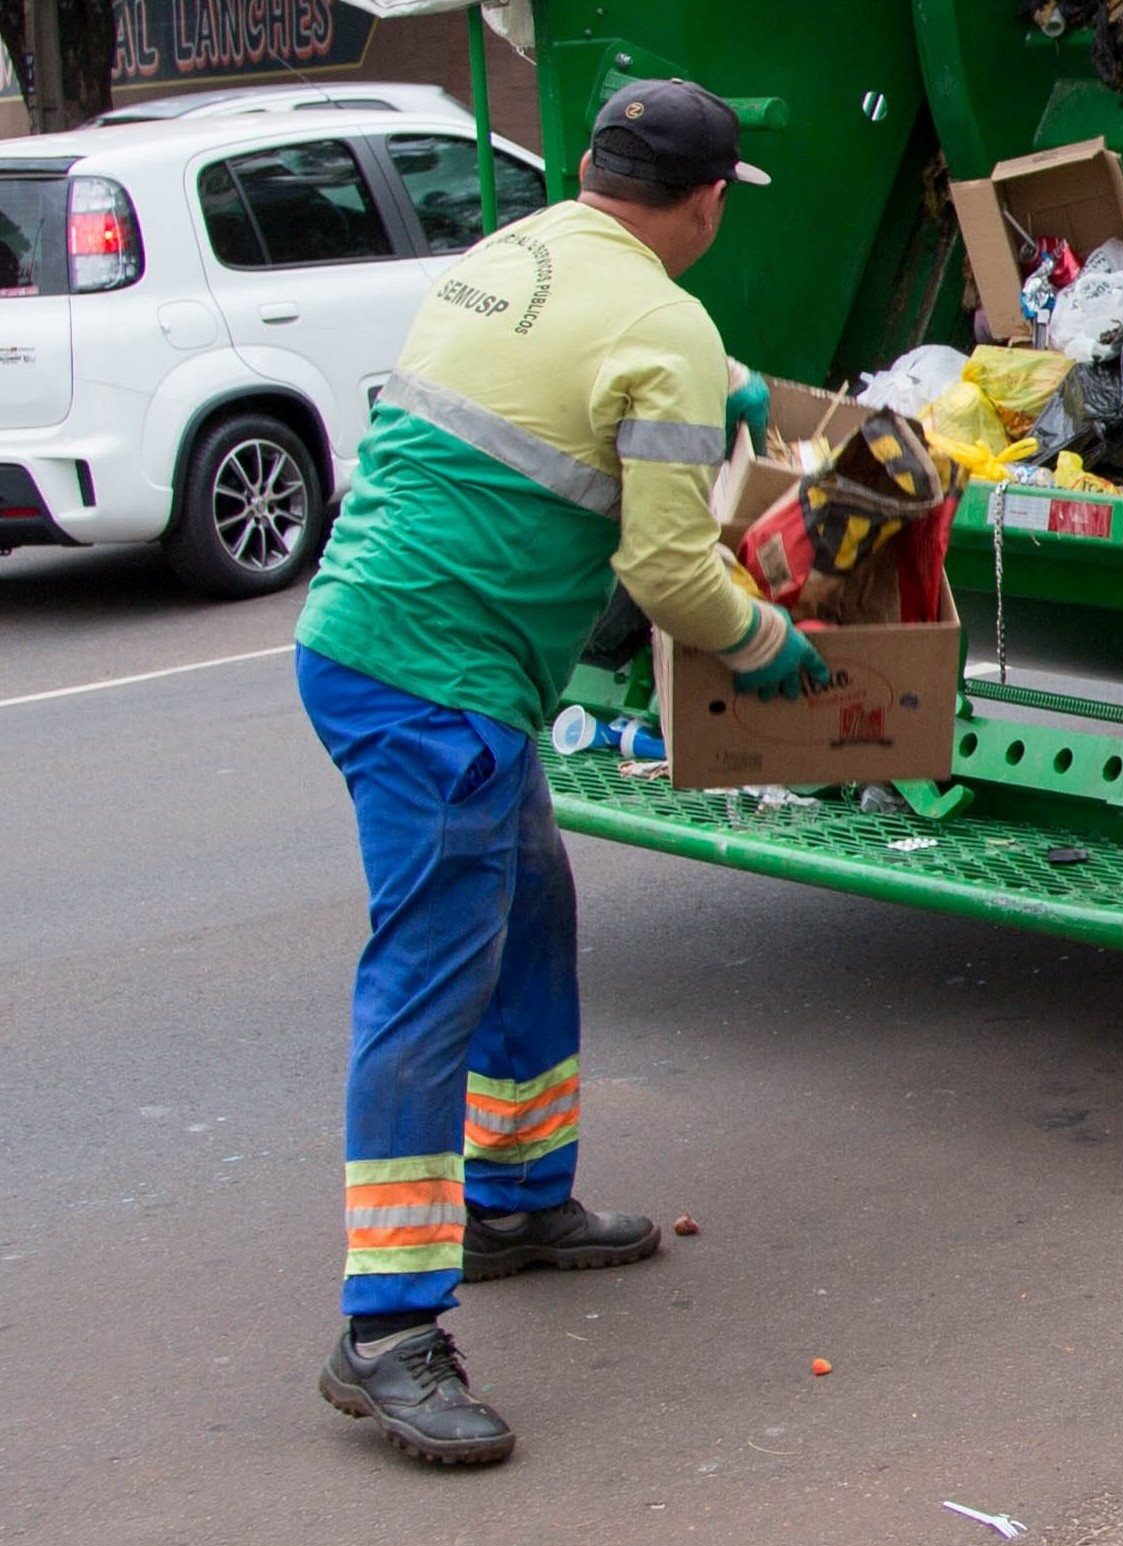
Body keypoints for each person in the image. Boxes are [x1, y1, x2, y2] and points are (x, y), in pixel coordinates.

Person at [292, 79, 817, 1465]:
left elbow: (576, 386)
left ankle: (518, 1197)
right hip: (437, 685)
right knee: (426, 984)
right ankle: (388, 1329)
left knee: (533, 907)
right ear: (706, 201)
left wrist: (728, 397)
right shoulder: (668, 319)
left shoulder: (506, 254)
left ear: (590, 169)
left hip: (377, 641)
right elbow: (667, 569)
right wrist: (773, 649)